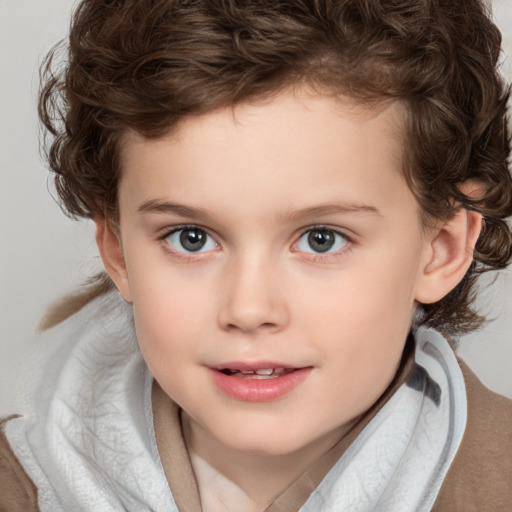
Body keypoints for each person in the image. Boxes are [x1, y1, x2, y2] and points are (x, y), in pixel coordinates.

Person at [1, 0, 511, 510]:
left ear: (440, 249)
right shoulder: (20, 479)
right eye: (191, 238)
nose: (249, 309)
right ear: (117, 250)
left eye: (321, 239)